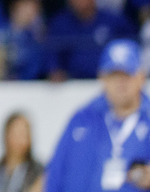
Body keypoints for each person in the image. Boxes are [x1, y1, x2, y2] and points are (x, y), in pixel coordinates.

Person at [44, 39, 150, 192]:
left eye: (127, 74)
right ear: (102, 78)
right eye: (114, 75)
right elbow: (55, 173)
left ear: (141, 77)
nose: (121, 83)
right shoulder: (82, 119)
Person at [0, 112, 44, 192]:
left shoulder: (39, 173)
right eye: (16, 134)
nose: (21, 140)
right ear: (6, 135)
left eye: (24, 134)